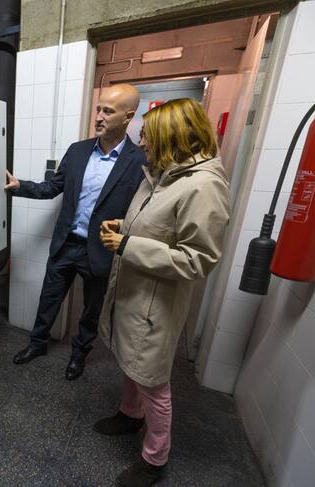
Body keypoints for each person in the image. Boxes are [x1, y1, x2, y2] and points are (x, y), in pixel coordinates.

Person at [95, 98, 230, 487]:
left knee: (153, 382)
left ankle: (155, 459)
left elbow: (197, 260)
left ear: (173, 136)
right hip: (134, 292)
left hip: (155, 303)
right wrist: (123, 226)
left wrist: (127, 244)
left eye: (148, 136)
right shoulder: (160, 175)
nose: (142, 143)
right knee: (130, 362)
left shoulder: (203, 186)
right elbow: (158, 226)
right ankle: (129, 415)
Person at [5, 84, 147, 380]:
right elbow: (53, 187)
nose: (99, 116)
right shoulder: (78, 150)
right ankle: (37, 344)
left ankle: (79, 354)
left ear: (128, 117)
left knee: (92, 309)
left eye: (108, 111)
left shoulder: (139, 161)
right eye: (98, 109)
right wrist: (21, 186)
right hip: (66, 243)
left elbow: (140, 211)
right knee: (49, 298)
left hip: (101, 248)